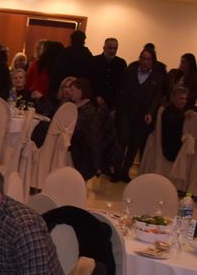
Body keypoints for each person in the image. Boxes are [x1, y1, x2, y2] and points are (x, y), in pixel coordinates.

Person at [114, 47, 166, 182]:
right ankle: (117, 171)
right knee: (122, 141)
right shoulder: (130, 72)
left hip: (141, 116)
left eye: (148, 59)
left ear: (152, 61)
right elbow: (120, 91)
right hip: (126, 112)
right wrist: (117, 109)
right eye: (143, 58)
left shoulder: (157, 78)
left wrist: (150, 113)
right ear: (140, 59)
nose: (145, 62)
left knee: (134, 145)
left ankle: (125, 171)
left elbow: (156, 98)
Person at [68, 78, 103, 180]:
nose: (70, 93)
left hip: (82, 156)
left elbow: (92, 139)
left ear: (81, 91)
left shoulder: (89, 112)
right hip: (75, 151)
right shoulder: (75, 106)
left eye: (72, 90)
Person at [51, 30, 93, 97]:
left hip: (65, 86)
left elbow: (57, 71)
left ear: (71, 40)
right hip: (81, 88)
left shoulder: (65, 53)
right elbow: (91, 72)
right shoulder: (87, 54)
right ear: (84, 41)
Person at [90, 38, 127, 111]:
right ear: (104, 48)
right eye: (110, 48)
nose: (112, 51)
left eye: (115, 48)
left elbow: (123, 83)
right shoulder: (94, 61)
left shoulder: (121, 63)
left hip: (114, 102)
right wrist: (95, 96)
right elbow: (90, 80)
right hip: (96, 101)